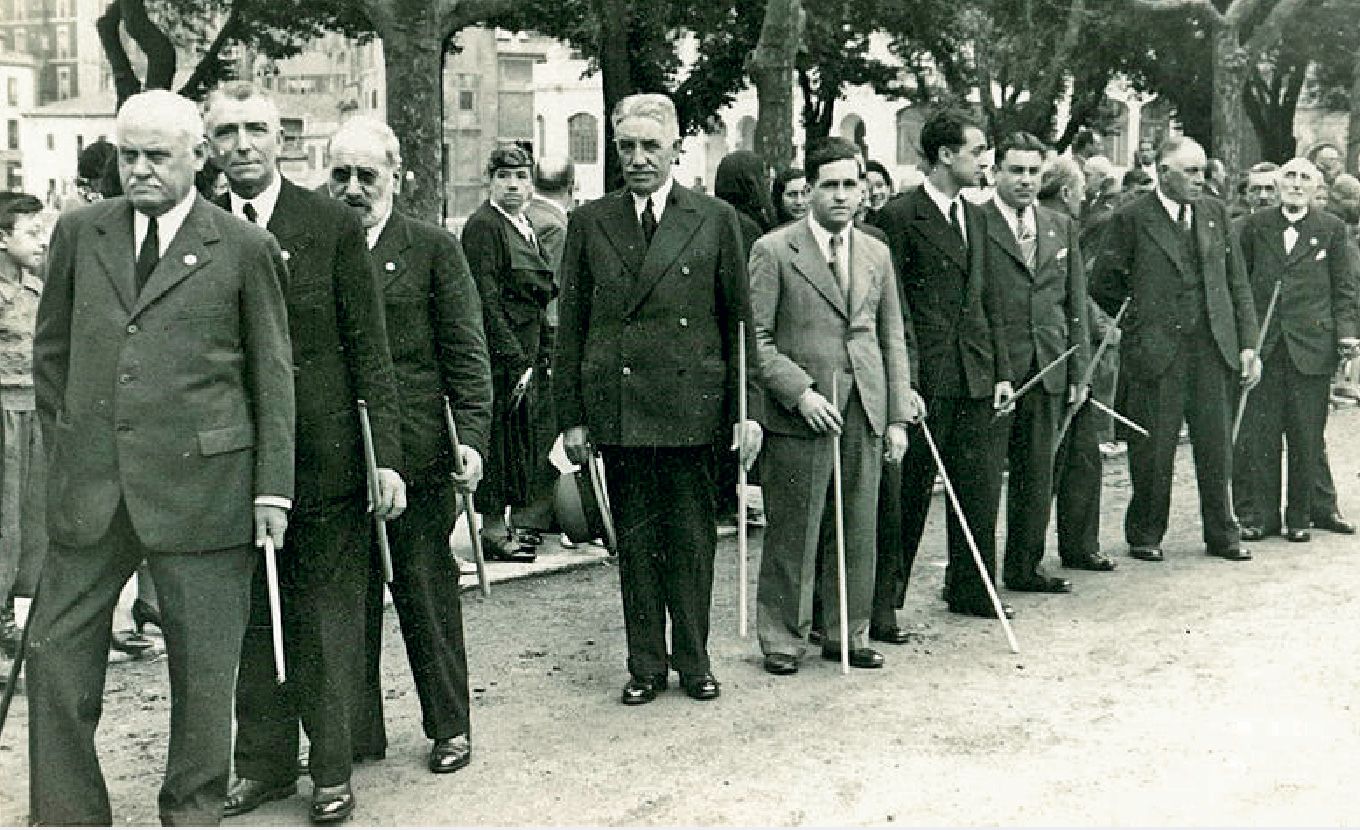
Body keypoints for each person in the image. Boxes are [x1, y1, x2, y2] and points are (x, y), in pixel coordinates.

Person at [26, 89, 295, 825]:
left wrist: (272, 490)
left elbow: (272, 377)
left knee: (203, 673)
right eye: (127, 156)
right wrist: (72, 448)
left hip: (206, 490)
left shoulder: (241, 247)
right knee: (53, 657)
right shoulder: (81, 234)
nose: (139, 170)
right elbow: (51, 355)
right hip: (92, 491)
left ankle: (192, 809)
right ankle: (68, 814)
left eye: (157, 156)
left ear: (198, 156)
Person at [209, 82, 406, 826]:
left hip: (322, 458)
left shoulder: (327, 223)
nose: (243, 146)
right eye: (226, 132)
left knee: (324, 617)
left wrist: (382, 454)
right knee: (254, 616)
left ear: (282, 138)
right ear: (211, 147)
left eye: (256, 129)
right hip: (231, 460)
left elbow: (371, 351)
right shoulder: (197, 228)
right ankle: (260, 764)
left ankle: (330, 768)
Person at [553, 93, 761, 705]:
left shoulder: (714, 218)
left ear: (676, 148)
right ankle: (645, 663)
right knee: (637, 544)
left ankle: (694, 659)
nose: (638, 159)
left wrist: (744, 411)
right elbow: (574, 328)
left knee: (694, 540)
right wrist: (572, 417)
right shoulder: (592, 220)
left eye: (651, 146)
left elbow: (738, 324)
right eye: (627, 147)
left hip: (692, 409)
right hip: (619, 409)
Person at [325, 117, 492, 776]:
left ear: (396, 176)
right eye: (342, 174)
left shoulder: (431, 248)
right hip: (339, 456)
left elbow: (466, 349)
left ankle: (450, 725)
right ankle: (360, 731)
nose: (354, 188)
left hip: (420, 453)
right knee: (348, 601)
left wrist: (472, 436)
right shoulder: (311, 246)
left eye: (368, 174)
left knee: (425, 593)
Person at [749, 137, 918, 675]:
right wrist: (800, 393)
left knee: (859, 527)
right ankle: (781, 638)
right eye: (831, 185)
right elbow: (757, 340)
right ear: (810, 190)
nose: (843, 196)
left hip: (865, 407)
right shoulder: (774, 250)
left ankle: (848, 630)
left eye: (852, 184)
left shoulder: (876, 251)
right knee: (794, 529)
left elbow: (891, 337)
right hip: (803, 414)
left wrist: (896, 416)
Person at [873, 110, 1015, 625]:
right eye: (977, 151)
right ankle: (884, 604)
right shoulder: (898, 215)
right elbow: (894, 310)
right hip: (925, 380)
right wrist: (904, 381)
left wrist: (1001, 372)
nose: (985, 160)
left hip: (975, 374)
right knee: (907, 495)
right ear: (945, 155)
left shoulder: (977, 216)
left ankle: (974, 590)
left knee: (978, 489)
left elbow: (988, 301)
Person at [1090, 136, 1260, 563]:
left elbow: (1237, 283)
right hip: (1158, 350)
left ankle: (1223, 534)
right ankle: (1145, 533)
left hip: (1212, 347)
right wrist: (1139, 322)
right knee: (1154, 448)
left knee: (1216, 446)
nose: (1200, 180)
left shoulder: (1214, 213)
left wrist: (1247, 345)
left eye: (1203, 171)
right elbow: (1104, 282)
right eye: (1190, 172)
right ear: (1163, 173)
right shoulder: (1131, 218)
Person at [983, 134, 1090, 593]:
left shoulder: (1059, 225)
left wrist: (1079, 371)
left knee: (1037, 470)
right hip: (996, 370)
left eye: (1033, 172)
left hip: (1050, 364)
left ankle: (1025, 566)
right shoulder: (976, 222)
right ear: (996, 173)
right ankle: (972, 575)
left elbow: (1075, 302)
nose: (1026, 180)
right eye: (1016, 171)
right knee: (984, 479)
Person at [1233, 158, 1359, 542]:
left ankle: (1301, 517)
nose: (1296, 183)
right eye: (1290, 176)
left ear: (1317, 187)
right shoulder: (1252, 227)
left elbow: (1344, 288)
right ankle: (1259, 517)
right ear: (1277, 182)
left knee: (1306, 434)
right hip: (1267, 346)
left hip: (1312, 347)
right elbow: (1241, 287)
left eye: (1305, 177)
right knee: (1261, 434)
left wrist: (1347, 337)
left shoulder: (1332, 229)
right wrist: (1247, 342)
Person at [461, 145, 554, 562]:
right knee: (498, 439)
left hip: (527, 347)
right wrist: (514, 360)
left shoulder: (524, 224)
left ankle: (509, 524)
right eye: (503, 177)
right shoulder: (485, 227)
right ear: (490, 180)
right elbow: (486, 298)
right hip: (501, 354)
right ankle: (492, 529)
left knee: (519, 439)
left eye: (520, 176)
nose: (513, 185)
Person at [1040, 156, 1121, 572]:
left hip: (1075, 360)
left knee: (1082, 456)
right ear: (1069, 193)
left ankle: (1079, 544)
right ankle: (1057, 547)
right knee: (1057, 461)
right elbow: (1067, 295)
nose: (1085, 198)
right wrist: (1100, 323)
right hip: (1054, 359)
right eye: (1081, 191)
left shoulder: (1067, 226)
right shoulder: (1050, 225)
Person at [515, 154, 575, 536]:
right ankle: (535, 515)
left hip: (520, 339)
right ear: (572, 186)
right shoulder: (556, 226)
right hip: (544, 337)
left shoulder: (525, 217)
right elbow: (553, 291)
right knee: (544, 428)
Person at [0, 193, 48, 663]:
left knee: (34, 523)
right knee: (4, 523)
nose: (41, 241)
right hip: (3, 416)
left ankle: (19, 615)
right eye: (30, 233)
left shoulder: (37, 288)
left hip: (34, 413)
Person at [715, 149, 775, 254]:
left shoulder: (713, 217)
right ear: (750, 182)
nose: (768, 183)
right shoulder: (746, 228)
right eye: (764, 177)